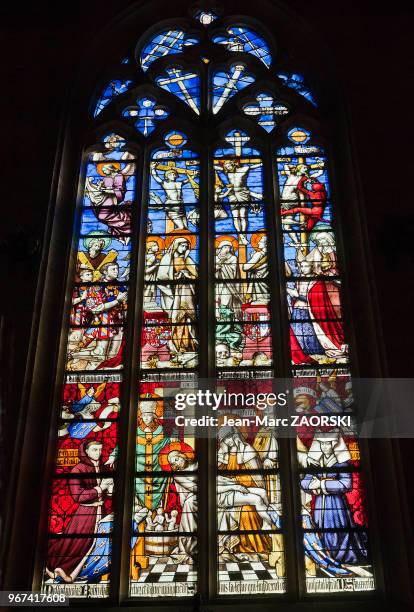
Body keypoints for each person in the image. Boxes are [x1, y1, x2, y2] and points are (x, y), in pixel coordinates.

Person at [45, 440, 112, 583]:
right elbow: (78, 496)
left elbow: (111, 491)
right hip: (86, 514)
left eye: (100, 450)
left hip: (102, 510)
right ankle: (62, 569)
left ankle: (87, 572)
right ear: (86, 451)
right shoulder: (78, 470)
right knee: (80, 543)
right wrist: (100, 488)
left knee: (96, 543)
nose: (98, 453)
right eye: (95, 450)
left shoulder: (104, 468)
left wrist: (111, 488)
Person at [301, 432, 368, 564]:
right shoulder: (315, 463)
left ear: (334, 445)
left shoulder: (340, 463)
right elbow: (304, 482)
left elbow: (346, 484)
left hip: (337, 505)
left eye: (328, 444)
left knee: (338, 529)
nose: (324, 447)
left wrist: (322, 483)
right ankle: (324, 556)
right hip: (320, 504)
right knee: (319, 528)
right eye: (322, 444)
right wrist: (311, 484)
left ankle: (339, 556)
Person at [156, 236, 198, 358]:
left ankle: (189, 345)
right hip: (174, 293)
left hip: (187, 291)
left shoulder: (188, 259)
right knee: (176, 318)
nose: (184, 248)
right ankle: (176, 345)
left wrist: (187, 275)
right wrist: (175, 276)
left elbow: (196, 275)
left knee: (188, 318)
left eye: (186, 247)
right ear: (176, 245)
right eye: (182, 246)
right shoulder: (167, 258)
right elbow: (162, 277)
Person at [214, 159, 262, 243]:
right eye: (226, 167)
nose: (228, 168)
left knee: (243, 216)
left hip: (243, 194)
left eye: (228, 166)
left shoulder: (244, 169)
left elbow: (252, 167)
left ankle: (243, 234)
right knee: (235, 217)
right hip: (232, 195)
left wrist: (261, 164)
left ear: (233, 164)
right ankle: (240, 235)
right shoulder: (227, 172)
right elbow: (218, 168)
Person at [166, 449, 198, 563]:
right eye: (173, 463)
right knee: (189, 506)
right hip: (191, 500)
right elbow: (194, 488)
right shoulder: (178, 475)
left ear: (182, 456)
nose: (176, 463)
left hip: (203, 497)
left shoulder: (197, 465)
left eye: (176, 459)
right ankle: (190, 549)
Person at [150, 163, 198, 230]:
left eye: (174, 174)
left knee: (186, 229)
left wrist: (194, 175)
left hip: (181, 207)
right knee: (181, 227)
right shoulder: (165, 183)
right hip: (172, 207)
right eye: (171, 174)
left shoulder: (179, 183)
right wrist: (152, 168)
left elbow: (188, 180)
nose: (173, 175)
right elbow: (156, 177)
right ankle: (172, 237)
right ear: (167, 176)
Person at [242, 233, 269, 304]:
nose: (258, 242)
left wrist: (253, 257)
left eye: (261, 241)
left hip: (259, 285)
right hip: (269, 284)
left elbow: (245, 268)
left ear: (266, 244)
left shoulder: (258, 254)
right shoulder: (273, 255)